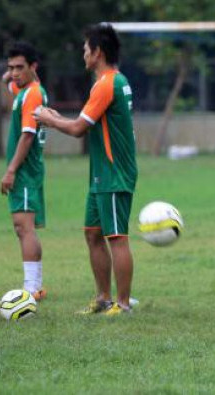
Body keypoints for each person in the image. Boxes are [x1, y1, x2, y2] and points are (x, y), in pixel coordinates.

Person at [34, 23, 137, 316]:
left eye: (85, 49)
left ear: (97, 52)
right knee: (93, 233)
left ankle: (124, 304)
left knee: (116, 237)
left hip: (114, 172)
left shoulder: (108, 83)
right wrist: (55, 117)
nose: (83, 54)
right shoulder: (114, 81)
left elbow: (79, 128)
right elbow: (84, 121)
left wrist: (50, 119)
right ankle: (103, 298)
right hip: (101, 173)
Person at [0, 42, 48, 301]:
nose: (14, 73)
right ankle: (34, 287)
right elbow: (9, 83)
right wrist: (10, 75)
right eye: (11, 68)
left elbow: (27, 136)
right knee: (22, 227)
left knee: (24, 226)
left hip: (26, 170)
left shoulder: (32, 94)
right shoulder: (26, 91)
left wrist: (10, 170)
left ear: (33, 67)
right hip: (27, 170)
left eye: (20, 67)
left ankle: (32, 288)